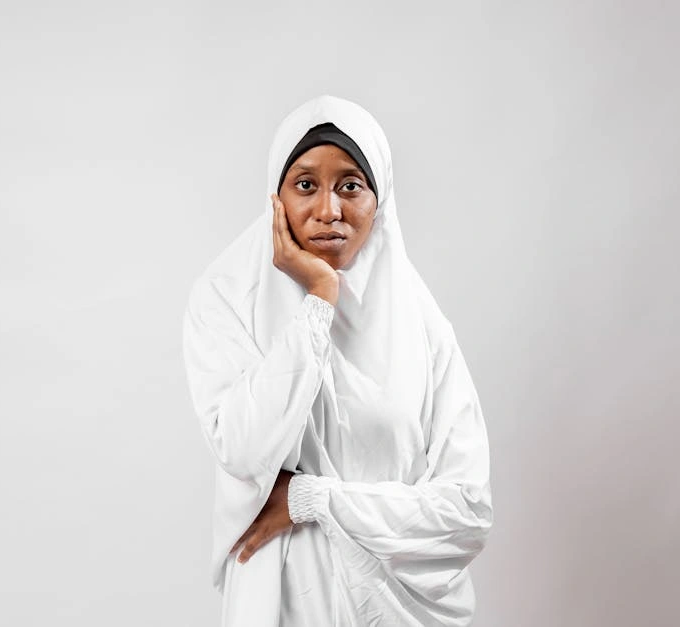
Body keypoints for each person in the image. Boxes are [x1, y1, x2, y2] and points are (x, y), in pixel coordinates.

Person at [182, 94, 493, 626]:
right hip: (282, 606)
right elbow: (243, 448)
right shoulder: (228, 299)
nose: (328, 210)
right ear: (276, 196)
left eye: (350, 185)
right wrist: (319, 300)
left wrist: (312, 499)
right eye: (305, 185)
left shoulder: (421, 328)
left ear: (380, 198)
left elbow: (467, 512)